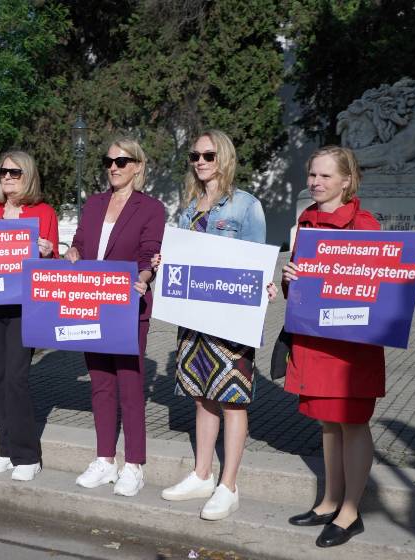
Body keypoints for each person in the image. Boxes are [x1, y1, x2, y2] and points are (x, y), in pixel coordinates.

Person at [281, 145, 415, 547]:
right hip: (316, 339)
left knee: (351, 423)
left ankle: (350, 512)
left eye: (325, 176)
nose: (315, 182)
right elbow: (301, 285)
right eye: (312, 174)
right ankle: (329, 501)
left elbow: (393, 284)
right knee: (327, 423)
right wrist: (289, 276)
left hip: (351, 346)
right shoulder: (306, 218)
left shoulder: (364, 224)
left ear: (347, 181)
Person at [154, 130, 277, 520]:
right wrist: (164, 263)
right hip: (194, 317)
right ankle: (202, 474)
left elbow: (257, 261)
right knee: (201, 394)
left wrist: (265, 284)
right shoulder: (189, 207)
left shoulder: (245, 206)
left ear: (223, 157)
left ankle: (229, 485)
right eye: (194, 156)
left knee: (231, 399)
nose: (200, 161)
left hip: (230, 320)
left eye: (208, 154)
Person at [65, 138, 165, 497]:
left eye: (122, 161)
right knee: (101, 384)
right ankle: (104, 459)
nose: (114, 167)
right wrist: (74, 252)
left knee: (130, 384)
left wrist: (143, 277)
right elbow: (80, 242)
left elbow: (149, 252)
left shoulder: (151, 208)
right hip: (92, 301)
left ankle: (134, 464)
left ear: (138, 166)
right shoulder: (93, 204)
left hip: (128, 304)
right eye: (108, 160)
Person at [0, 150, 59, 482]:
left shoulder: (44, 212)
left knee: (16, 377)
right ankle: (6, 448)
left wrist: (47, 252)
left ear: (28, 176)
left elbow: (53, 263)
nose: (8, 177)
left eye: (15, 172)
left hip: (26, 306)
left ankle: (28, 455)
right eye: (2, 172)